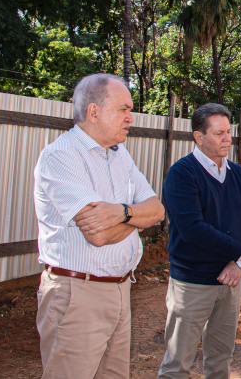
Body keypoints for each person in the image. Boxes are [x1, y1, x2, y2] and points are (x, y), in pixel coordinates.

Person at [33, 73, 166, 379]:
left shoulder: (120, 155)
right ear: (93, 112)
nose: (131, 117)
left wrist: (120, 212)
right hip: (78, 294)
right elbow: (99, 235)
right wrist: (137, 217)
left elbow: (157, 209)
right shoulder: (62, 156)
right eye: (123, 109)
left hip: (119, 290)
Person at [158, 103, 241, 379]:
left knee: (220, 362)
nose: (227, 138)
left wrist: (237, 263)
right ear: (199, 137)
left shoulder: (238, 174)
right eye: (219, 133)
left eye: (228, 132)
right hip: (192, 284)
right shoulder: (182, 174)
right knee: (176, 365)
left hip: (230, 282)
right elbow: (193, 229)